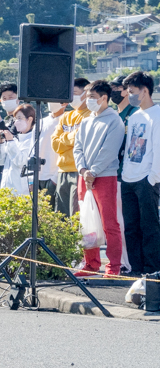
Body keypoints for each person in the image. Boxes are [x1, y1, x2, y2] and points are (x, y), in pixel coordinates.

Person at [72, 79, 127, 277]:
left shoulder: (114, 120)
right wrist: (83, 170)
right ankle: (91, 264)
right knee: (86, 221)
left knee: (109, 223)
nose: (88, 101)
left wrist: (92, 172)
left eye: (92, 97)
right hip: (85, 176)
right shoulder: (85, 121)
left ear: (104, 98)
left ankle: (113, 267)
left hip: (105, 177)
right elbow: (77, 148)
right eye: (87, 97)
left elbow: (109, 151)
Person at [119, 71, 160, 275]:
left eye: (133, 91)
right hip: (129, 178)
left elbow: (158, 148)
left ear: (145, 91)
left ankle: (152, 270)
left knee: (150, 227)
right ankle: (136, 270)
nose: (129, 95)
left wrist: (153, 177)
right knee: (131, 228)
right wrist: (125, 172)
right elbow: (128, 148)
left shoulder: (158, 115)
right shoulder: (134, 116)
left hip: (147, 179)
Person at [51, 77, 92, 216]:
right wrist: (72, 137)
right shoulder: (66, 116)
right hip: (62, 170)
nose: (71, 97)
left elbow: (82, 139)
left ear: (85, 94)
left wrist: (65, 138)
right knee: (60, 215)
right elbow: (55, 144)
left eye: (74, 92)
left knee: (76, 214)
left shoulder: (91, 115)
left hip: (79, 170)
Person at [0, 103, 38, 196]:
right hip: (6, 189)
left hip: (21, 191)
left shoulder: (33, 139)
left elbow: (20, 161)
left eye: (19, 118)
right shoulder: (15, 138)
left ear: (30, 119)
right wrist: (0, 143)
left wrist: (10, 142)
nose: (16, 122)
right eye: (15, 119)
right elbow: (0, 161)